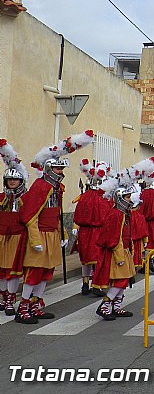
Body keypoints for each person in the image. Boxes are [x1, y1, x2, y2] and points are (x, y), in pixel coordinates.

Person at [16, 130, 94, 324]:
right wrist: (35, 240)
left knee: (46, 272)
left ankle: (36, 303)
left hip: (51, 234)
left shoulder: (56, 189)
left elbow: (57, 214)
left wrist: (62, 233)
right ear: (50, 169)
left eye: (61, 169)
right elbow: (30, 216)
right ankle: (23, 307)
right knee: (34, 272)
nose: (61, 173)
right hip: (40, 235)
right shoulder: (41, 186)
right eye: (58, 169)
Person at [93, 184, 136, 321]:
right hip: (118, 251)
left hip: (125, 250)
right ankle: (105, 305)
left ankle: (116, 306)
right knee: (120, 280)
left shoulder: (124, 213)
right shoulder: (116, 214)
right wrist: (119, 255)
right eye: (127, 197)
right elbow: (115, 237)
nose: (129, 200)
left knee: (124, 279)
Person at [72, 160, 111, 297]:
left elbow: (77, 216)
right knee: (98, 258)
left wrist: (76, 227)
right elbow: (109, 217)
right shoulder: (104, 197)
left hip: (84, 232)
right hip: (99, 232)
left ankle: (85, 284)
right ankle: (97, 284)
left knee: (86, 259)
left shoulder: (84, 197)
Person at [0, 139, 28, 317]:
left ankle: (11, 298)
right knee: (1, 271)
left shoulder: (25, 199)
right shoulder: (1, 197)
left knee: (13, 271)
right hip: (1, 237)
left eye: (15, 180)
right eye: (9, 179)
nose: (12, 182)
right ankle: (3, 297)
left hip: (17, 238)